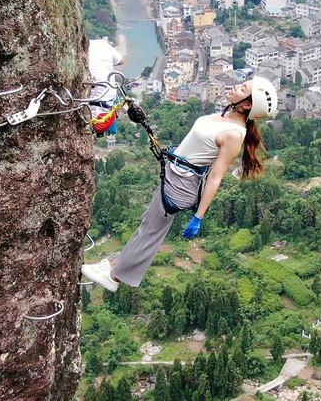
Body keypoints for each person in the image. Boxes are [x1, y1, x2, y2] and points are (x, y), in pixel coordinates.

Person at [81, 76, 278, 291]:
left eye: (242, 88)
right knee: (148, 223)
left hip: (182, 185)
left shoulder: (234, 134)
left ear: (248, 105)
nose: (235, 87)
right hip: (176, 174)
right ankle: (115, 265)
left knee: (151, 230)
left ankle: (115, 277)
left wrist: (198, 217)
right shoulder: (224, 116)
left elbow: (215, 177)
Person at [88, 38, 124, 135]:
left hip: (96, 101)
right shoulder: (104, 44)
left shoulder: (82, 45)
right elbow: (121, 61)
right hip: (108, 95)